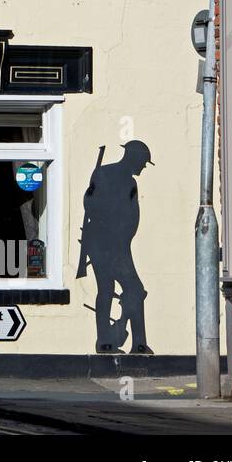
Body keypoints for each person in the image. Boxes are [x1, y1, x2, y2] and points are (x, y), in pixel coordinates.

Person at [78, 140, 154, 354]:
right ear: (134, 158)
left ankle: (106, 342)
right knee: (134, 290)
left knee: (107, 289)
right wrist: (118, 233)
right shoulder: (125, 181)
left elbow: (88, 202)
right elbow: (94, 206)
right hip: (112, 243)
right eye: (143, 162)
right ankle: (137, 344)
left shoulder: (102, 173)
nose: (143, 167)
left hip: (106, 241)